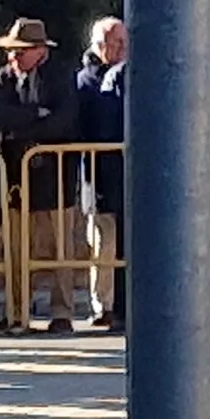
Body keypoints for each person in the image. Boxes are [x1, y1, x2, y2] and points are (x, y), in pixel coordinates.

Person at [0, 18, 79, 334]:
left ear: (39, 51)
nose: (13, 58)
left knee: (60, 247)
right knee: (17, 250)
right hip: (16, 177)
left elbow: (64, 120)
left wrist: (26, 129)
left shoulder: (61, 77)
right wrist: (36, 114)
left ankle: (62, 312)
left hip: (55, 175)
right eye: (11, 52)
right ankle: (15, 310)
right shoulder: (3, 79)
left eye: (20, 52)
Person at [70, 16, 130, 332]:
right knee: (103, 242)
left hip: (130, 173)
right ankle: (103, 305)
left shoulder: (134, 76)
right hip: (97, 173)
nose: (120, 49)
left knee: (129, 242)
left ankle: (127, 303)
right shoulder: (83, 81)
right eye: (113, 42)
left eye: (123, 42)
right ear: (97, 46)